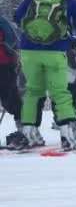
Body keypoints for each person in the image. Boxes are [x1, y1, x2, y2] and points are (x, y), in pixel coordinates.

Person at [14, 0, 76, 150]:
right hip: (55, 51)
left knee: (33, 91)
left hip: (28, 51)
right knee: (60, 92)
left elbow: (18, 17)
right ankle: (68, 135)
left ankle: (30, 134)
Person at [0, 15, 25, 148]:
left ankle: (24, 131)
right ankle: (24, 130)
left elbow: (13, 41)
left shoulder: (2, 21)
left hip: (4, 64)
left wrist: (15, 58)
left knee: (10, 98)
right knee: (10, 97)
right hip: (4, 63)